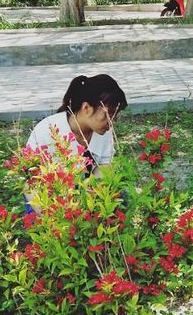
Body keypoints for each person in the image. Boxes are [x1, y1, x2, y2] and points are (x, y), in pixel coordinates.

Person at [24, 74, 128, 212]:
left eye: (115, 116)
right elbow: (30, 181)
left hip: (82, 196)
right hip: (48, 199)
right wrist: (48, 214)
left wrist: (92, 193)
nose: (111, 123)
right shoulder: (46, 131)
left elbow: (104, 164)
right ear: (86, 108)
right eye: (108, 115)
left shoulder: (103, 131)